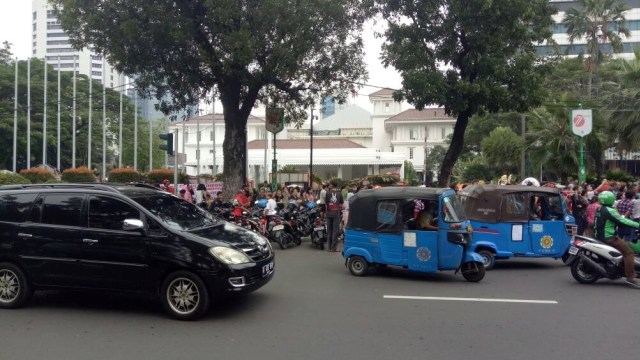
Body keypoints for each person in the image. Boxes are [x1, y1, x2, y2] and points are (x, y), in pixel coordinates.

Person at [593, 191, 640, 288]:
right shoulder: (610, 210)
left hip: (599, 236)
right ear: (610, 199)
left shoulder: (600, 208)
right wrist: (637, 225)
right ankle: (630, 277)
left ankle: (624, 269)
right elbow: (622, 220)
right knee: (629, 253)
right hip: (609, 238)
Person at [324, 182, 344, 252]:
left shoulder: (327, 193)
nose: (329, 186)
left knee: (329, 231)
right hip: (336, 214)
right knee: (335, 231)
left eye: (329, 185)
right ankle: (333, 248)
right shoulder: (339, 194)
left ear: (332, 186)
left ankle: (329, 248)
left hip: (329, 214)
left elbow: (326, 203)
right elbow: (341, 204)